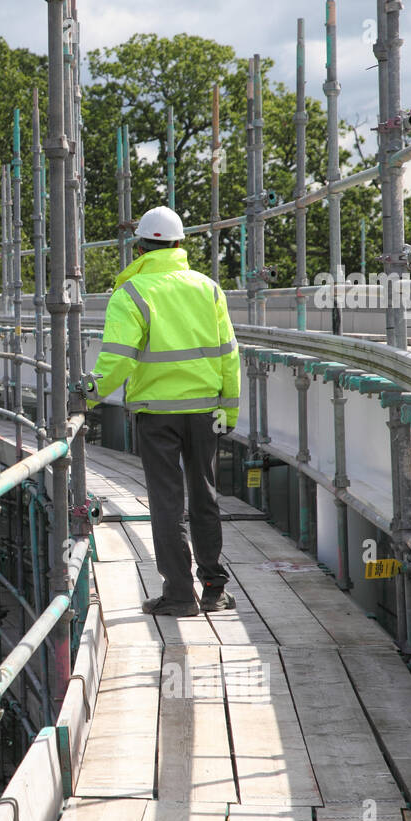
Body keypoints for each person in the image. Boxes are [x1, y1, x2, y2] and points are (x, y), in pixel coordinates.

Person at [82, 206, 241, 616]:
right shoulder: (208, 289)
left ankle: (178, 594)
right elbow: (229, 355)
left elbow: (117, 359)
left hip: (158, 413)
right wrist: (230, 409)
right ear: (179, 244)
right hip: (207, 410)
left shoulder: (132, 292)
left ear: (139, 247)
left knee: (167, 501)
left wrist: (88, 395)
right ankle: (213, 588)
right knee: (204, 495)